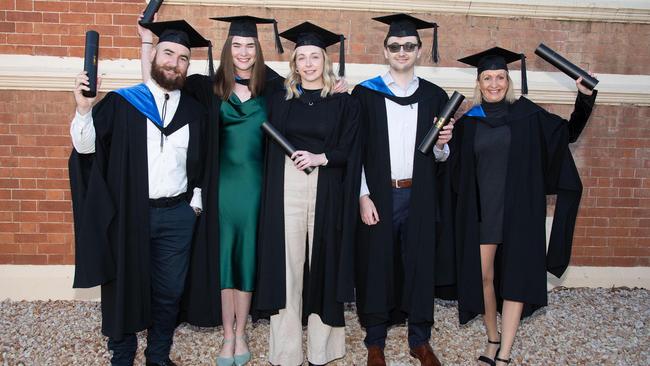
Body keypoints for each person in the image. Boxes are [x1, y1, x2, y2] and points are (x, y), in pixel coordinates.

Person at [140, 15, 286, 366]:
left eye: (250, 45)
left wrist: (338, 88)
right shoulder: (208, 87)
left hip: (256, 189)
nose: (243, 52)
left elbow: (313, 94)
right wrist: (147, 44)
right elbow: (156, 86)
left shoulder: (275, 87)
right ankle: (226, 334)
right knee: (224, 262)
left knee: (246, 260)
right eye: (237, 45)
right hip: (221, 188)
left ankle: (242, 333)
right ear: (227, 48)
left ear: (258, 50)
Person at [69, 20, 211, 366]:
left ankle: (158, 355)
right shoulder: (123, 103)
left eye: (182, 58)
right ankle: (122, 353)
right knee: (124, 286)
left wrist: (194, 204)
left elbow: (205, 163)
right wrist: (84, 109)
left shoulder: (196, 112)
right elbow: (86, 149)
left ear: (187, 67)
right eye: (168, 53)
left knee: (170, 291)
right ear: (154, 57)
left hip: (177, 215)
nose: (174, 63)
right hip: (131, 213)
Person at [450, 47, 597, 365]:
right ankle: (492, 336)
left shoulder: (528, 116)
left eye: (500, 77)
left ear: (508, 80)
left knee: (515, 278)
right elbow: (452, 168)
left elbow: (567, 134)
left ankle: (503, 353)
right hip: (482, 212)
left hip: (519, 211)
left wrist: (584, 100)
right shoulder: (468, 124)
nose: (493, 83)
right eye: (487, 77)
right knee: (483, 277)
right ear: (479, 82)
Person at [253, 21, 360, 366]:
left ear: (325, 62)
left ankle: (322, 350)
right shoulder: (279, 98)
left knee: (323, 265)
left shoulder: (343, 101)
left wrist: (321, 157)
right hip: (286, 185)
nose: (309, 63)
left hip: (326, 184)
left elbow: (352, 148)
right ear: (294, 63)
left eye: (315, 56)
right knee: (288, 268)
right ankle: (285, 353)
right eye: (302, 57)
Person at [351, 13, 454, 366]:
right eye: (395, 46)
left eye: (409, 46)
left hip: (420, 193)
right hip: (380, 194)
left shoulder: (435, 96)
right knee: (376, 264)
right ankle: (375, 340)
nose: (402, 51)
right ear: (385, 50)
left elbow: (441, 157)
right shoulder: (365, 94)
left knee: (419, 263)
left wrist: (443, 144)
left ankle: (419, 339)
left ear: (419, 51)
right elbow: (355, 152)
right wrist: (362, 195)